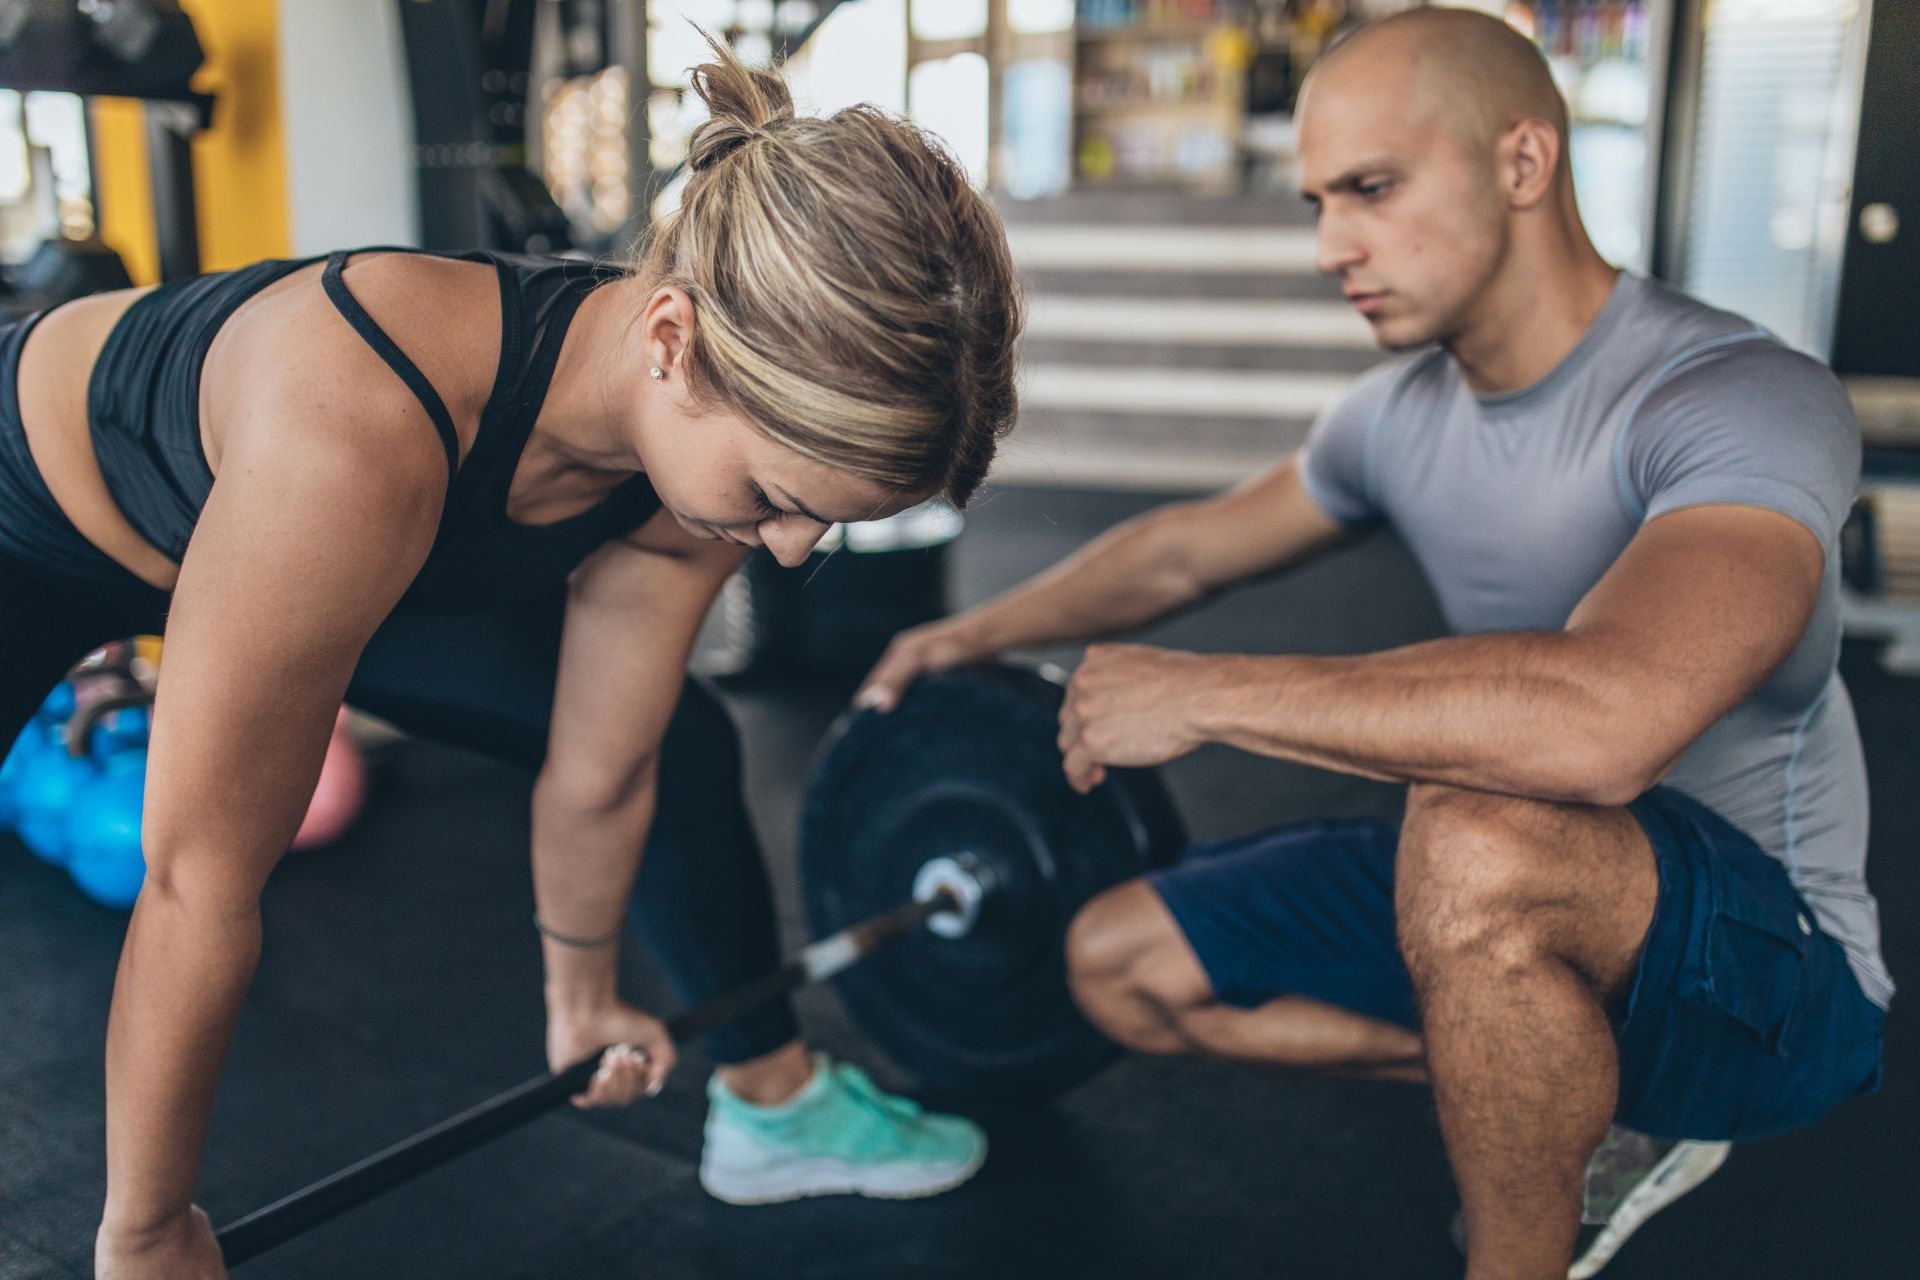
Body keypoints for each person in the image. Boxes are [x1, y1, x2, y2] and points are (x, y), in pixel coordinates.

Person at [859, 9, 1887, 1279]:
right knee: (1114, 962)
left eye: (1374, 189)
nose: (1334, 245)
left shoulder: (1736, 395)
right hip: (1517, 873)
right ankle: (1581, 1089)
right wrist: (960, 637)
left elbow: (1605, 725)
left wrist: (1208, 695)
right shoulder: (1396, 417)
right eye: (1316, 204)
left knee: (1468, 828)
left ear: (1524, 163)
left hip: (1772, 967)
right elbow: (1184, 551)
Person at [0, 38, 1022, 1280]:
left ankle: (769, 1101)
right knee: (214, 849)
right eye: (777, 495)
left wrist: (581, 992)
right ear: (669, 340)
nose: (794, 550)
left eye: (827, 516)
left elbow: (599, 764)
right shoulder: (355, 439)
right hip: (36, 513)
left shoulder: (696, 462)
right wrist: (148, 1229)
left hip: (308, 536)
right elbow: (195, 883)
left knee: (677, 740)